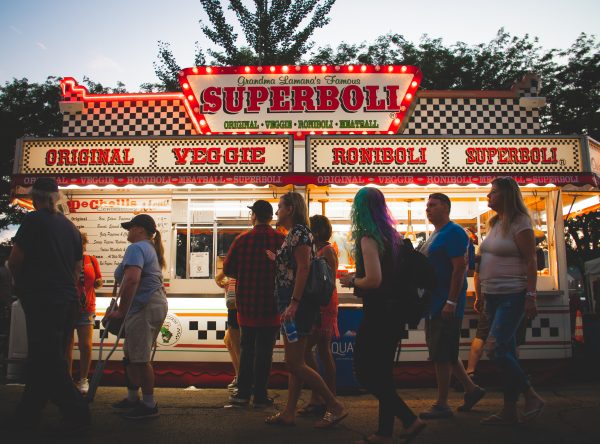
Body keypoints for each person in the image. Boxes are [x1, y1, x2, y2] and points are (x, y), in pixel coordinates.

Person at [339, 187, 425, 444]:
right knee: (384, 374)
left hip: (378, 314)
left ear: (359, 209)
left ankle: (408, 418)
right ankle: (385, 433)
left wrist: (352, 280)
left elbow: (374, 280)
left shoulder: (368, 238)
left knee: (364, 371)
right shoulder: (392, 236)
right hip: (395, 312)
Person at [7, 177, 90, 432]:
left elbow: (15, 260)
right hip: (67, 301)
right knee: (46, 356)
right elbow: (77, 269)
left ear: (35, 198)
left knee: (47, 357)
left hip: (42, 298)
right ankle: (29, 410)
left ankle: (77, 410)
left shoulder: (34, 220)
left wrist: (18, 285)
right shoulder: (71, 228)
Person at [265, 192, 346, 427]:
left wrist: (294, 302)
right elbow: (295, 267)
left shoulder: (299, 233)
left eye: (280, 206)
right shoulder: (295, 234)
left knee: (294, 362)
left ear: (290, 209)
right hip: (292, 302)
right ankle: (289, 412)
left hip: (297, 305)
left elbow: (303, 268)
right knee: (297, 361)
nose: (277, 211)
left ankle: (334, 405)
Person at [478, 177, 545, 425]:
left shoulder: (521, 223)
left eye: (493, 192)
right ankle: (509, 410)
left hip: (512, 294)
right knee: (507, 352)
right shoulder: (495, 222)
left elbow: (531, 260)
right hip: (492, 295)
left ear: (506, 195)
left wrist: (531, 295)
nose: (489, 196)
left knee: (495, 348)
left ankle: (530, 395)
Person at [419, 193, 485, 419]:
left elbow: (459, 269)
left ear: (446, 208)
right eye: (427, 206)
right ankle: (471, 389)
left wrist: (451, 301)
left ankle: (442, 403)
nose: (428, 209)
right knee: (445, 350)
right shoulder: (436, 233)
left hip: (445, 301)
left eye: (433, 205)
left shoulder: (454, 232)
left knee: (441, 354)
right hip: (435, 301)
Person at [223, 199, 285, 408]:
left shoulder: (242, 240)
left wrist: (244, 272)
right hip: (271, 306)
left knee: (247, 350)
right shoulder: (280, 239)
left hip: (247, 306)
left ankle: (243, 394)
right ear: (271, 217)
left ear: (254, 216)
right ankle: (260, 396)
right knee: (265, 352)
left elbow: (228, 269)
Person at [107, 214, 168, 420]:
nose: (128, 231)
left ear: (140, 229)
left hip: (143, 305)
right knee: (132, 354)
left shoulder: (136, 248)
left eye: (130, 227)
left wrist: (121, 311)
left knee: (140, 358)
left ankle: (149, 404)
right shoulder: (149, 248)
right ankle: (133, 398)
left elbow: (132, 280)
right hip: (151, 303)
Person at [298, 214, 339, 417]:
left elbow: (326, 281)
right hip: (324, 302)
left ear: (316, 232)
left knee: (306, 350)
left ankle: (320, 396)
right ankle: (326, 396)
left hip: (323, 304)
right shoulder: (323, 250)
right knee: (323, 350)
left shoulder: (326, 251)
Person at [66, 232, 103, 395]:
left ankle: (83, 379)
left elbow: (98, 280)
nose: (81, 246)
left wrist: (98, 282)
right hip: (68, 307)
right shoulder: (65, 260)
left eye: (82, 243)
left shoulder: (91, 260)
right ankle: (67, 379)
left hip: (87, 308)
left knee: (86, 345)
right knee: (67, 344)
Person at [215, 271, 241, 392]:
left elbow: (218, 278)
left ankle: (243, 381)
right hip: (238, 303)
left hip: (235, 305)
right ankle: (240, 377)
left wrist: (223, 279)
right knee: (229, 341)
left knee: (238, 346)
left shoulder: (233, 265)